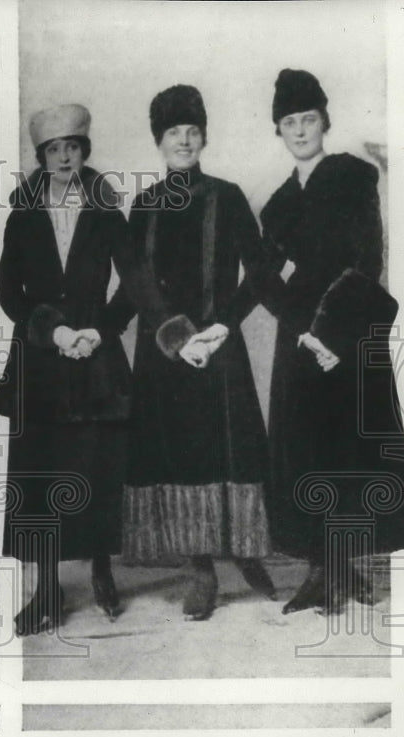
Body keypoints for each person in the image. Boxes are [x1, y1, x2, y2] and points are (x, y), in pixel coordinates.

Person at [0, 103, 168, 635]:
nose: (64, 156)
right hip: (42, 361)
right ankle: (45, 590)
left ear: (84, 151)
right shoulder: (22, 212)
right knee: (42, 473)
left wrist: (99, 330)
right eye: (53, 149)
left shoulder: (106, 208)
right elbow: (8, 291)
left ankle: (101, 574)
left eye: (73, 146)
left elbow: (135, 280)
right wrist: (53, 331)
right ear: (41, 157)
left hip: (96, 357)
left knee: (96, 468)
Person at [258, 69, 404, 614]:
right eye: (289, 122)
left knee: (349, 448)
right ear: (278, 130)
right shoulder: (278, 202)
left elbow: (368, 256)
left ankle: (343, 566)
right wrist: (298, 326)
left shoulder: (353, 175)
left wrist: (333, 333)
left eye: (308, 118)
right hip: (301, 336)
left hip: (349, 326)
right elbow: (261, 275)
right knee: (305, 450)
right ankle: (319, 570)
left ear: (324, 121)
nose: (300, 129)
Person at [122, 85, 277, 621]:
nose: (184, 141)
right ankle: (201, 570)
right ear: (159, 143)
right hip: (165, 353)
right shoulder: (143, 206)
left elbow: (259, 272)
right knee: (180, 456)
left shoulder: (227, 196)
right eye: (173, 134)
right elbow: (136, 282)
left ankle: (245, 553)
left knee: (231, 454)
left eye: (192, 131)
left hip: (218, 346)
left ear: (204, 136)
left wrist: (218, 329)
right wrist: (178, 337)